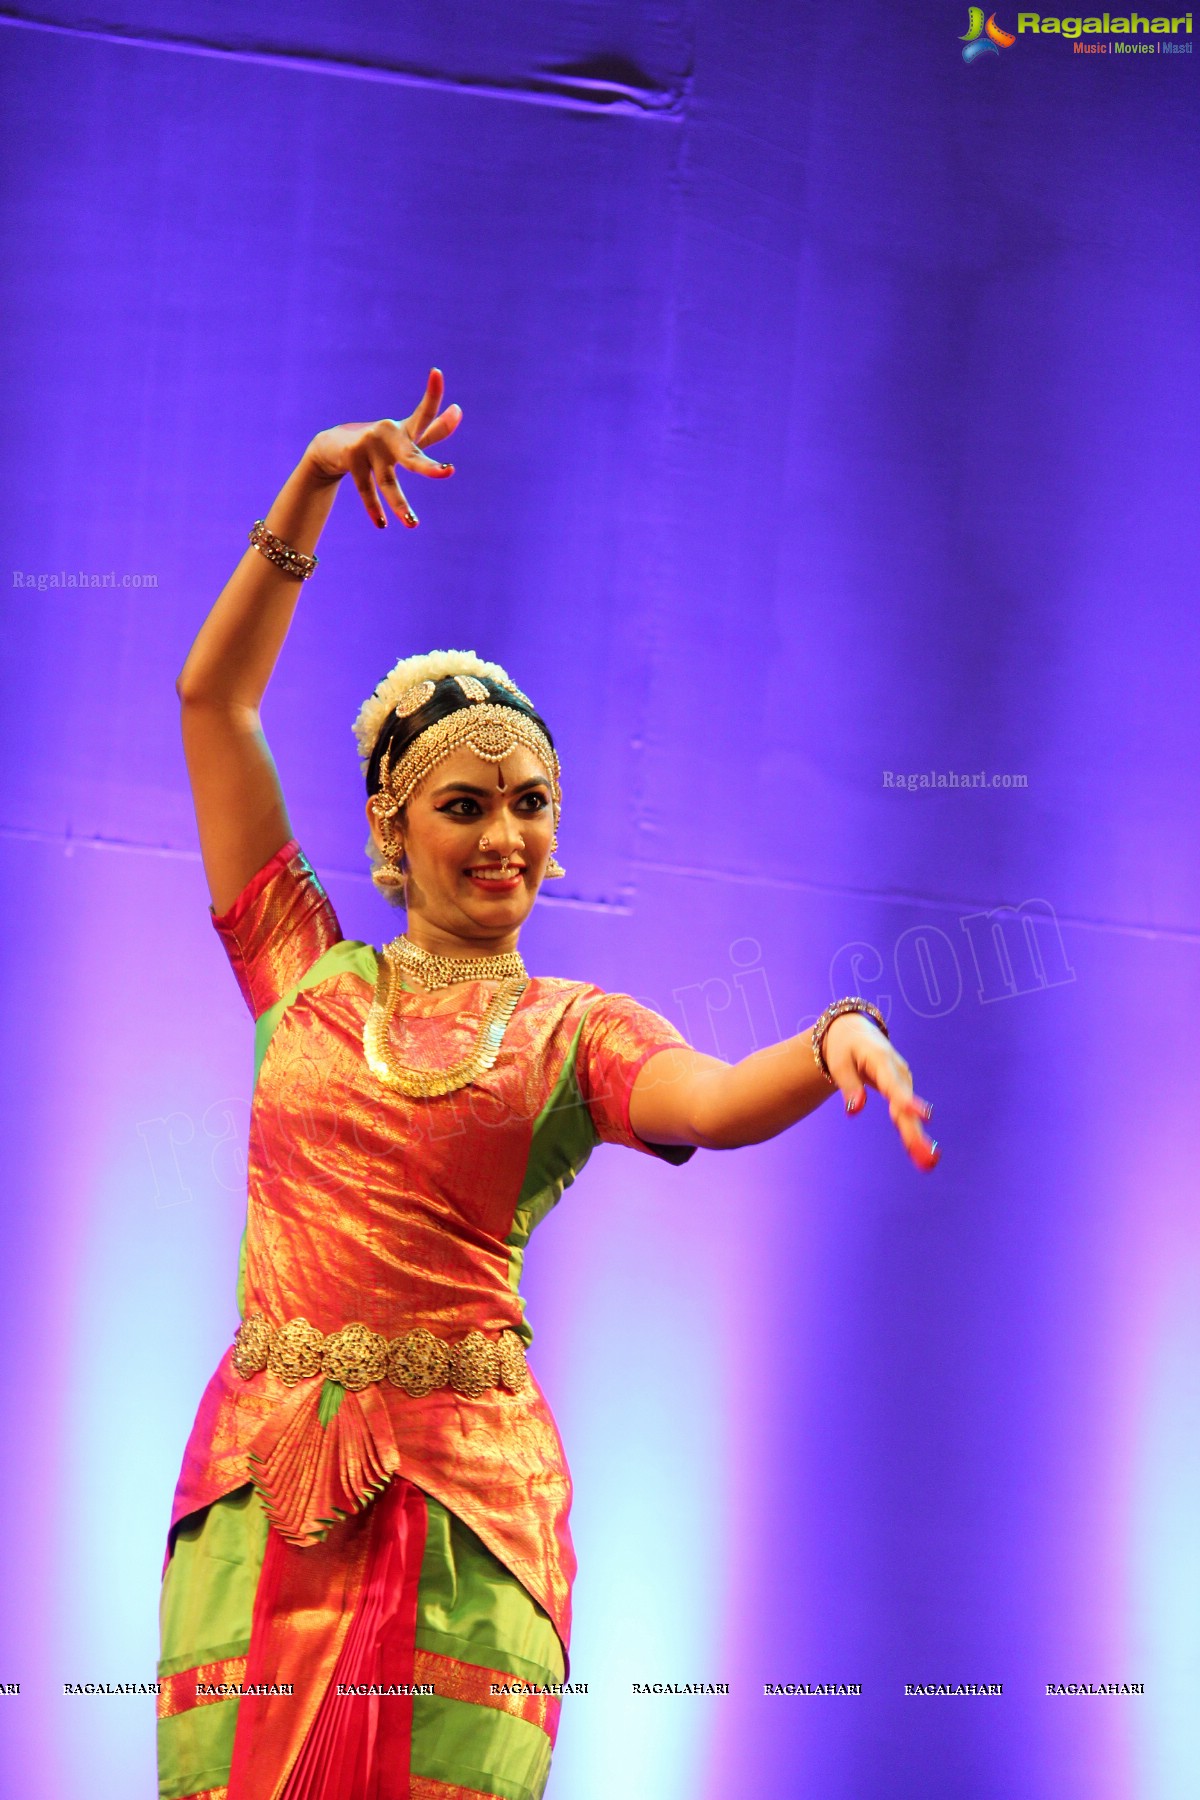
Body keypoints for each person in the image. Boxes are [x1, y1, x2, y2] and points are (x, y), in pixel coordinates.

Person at [158, 368, 938, 1800]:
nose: (505, 835)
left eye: (530, 804)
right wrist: (312, 486)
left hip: (464, 1514)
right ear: (394, 829)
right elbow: (216, 702)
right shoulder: (302, 973)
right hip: (262, 1489)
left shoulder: (573, 1028)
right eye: (467, 803)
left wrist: (828, 1038)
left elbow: (703, 1100)